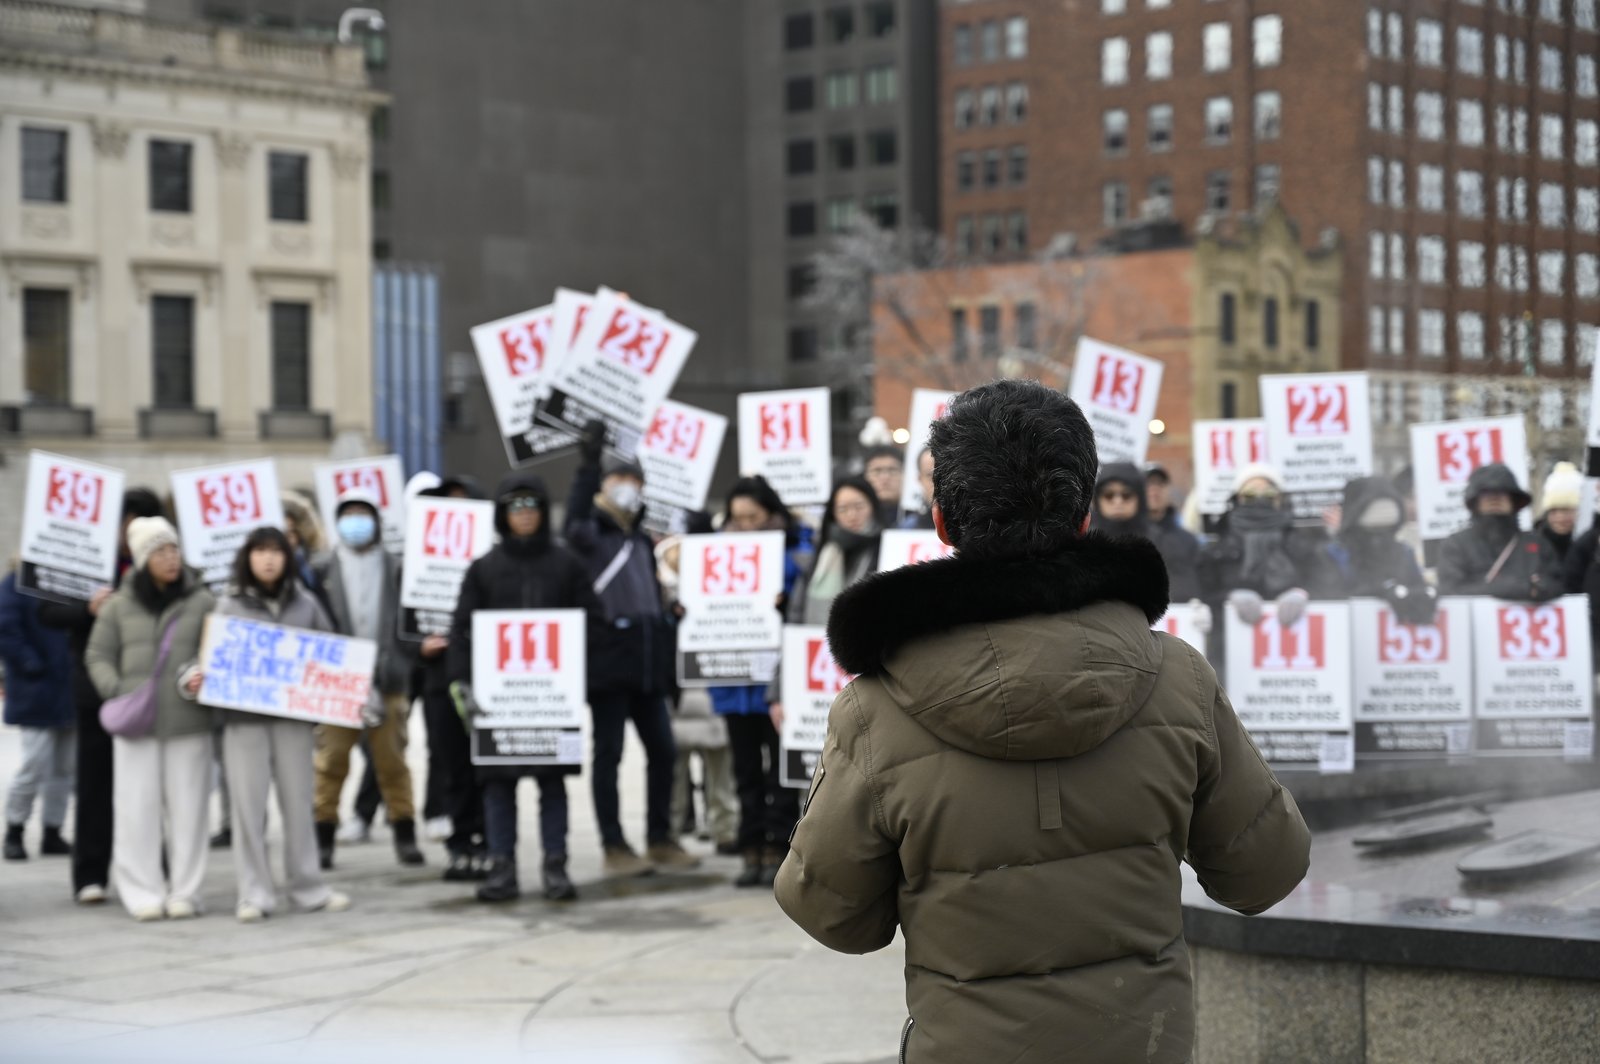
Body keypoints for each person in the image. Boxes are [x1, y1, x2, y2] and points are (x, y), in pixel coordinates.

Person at [774, 380, 1310, 1064]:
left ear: (943, 521)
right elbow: (1267, 870)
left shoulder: (874, 710)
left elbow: (832, 912)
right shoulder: (1180, 678)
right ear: (1084, 515)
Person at [451, 472, 604, 902]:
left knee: (552, 787)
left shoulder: (566, 564)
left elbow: (595, 620)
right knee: (498, 789)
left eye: (531, 507)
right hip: (501, 706)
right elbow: (462, 629)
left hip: (550, 704)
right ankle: (502, 867)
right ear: (503, 515)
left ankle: (555, 865)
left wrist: (576, 673)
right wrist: (462, 682)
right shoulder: (483, 569)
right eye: (515, 508)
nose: (524, 516)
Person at [564, 421, 699, 876]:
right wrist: (585, 466)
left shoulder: (640, 541)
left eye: (634, 480)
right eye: (618, 479)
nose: (628, 487)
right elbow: (574, 520)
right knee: (609, 755)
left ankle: (660, 837)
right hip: (607, 666)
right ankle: (614, 844)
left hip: (647, 666)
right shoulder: (589, 537)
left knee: (663, 751)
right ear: (603, 486)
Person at [207, 529, 351, 922]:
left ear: (288, 557)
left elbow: (332, 654)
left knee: (299, 804)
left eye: (276, 551)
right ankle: (254, 893)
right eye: (260, 551)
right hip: (244, 724)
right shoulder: (229, 606)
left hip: (293, 721)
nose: (268, 559)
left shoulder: (306, 603)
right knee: (247, 809)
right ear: (247, 558)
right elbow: (209, 657)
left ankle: (308, 888)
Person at [84, 518, 216, 921]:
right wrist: (117, 689)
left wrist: (202, 675)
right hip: (135, 725)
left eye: (174, 549)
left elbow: (217, 650)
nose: (170, 558)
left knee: (190, 810)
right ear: (142, 559)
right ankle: (142, 891)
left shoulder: (202, 601)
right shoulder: (120, 606)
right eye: (159, 551)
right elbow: (97, 655)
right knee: (134, 809)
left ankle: (185, 891)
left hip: (189, 722)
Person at [38, 488, 165, 904]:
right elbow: (48, 612)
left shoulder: (164, 566)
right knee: (94, 783)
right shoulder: (88, 561)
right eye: (129, 527)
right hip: (95, 688)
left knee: (150, 784)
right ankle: (90, 874)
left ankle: (154, 868)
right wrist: (86, 610)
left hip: (149, 690)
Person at [312, 490, 424, 870]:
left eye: (364, 513)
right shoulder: (321, 569)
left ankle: (405, 834)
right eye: (349, 514)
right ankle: (323, 836)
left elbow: (412, 621)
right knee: (331, 762)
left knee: (392, 763)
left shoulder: (397, 566)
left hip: (387, 679)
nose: (356, 521)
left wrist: (403, 659)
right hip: (336, 681)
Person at [710, 476, 805, 888]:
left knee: (780, 771)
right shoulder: (715, 554)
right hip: (733, 682)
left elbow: (806, 611)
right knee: (745, 770)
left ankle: (780, 847)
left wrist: (783, 601)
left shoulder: (796, 555)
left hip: (776, 680)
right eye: (738, 518)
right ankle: (751, 848)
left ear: (772, 514)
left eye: (754, 517)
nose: (746, 525)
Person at [655, 532, 739, 857]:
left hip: (711, 693)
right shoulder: (661, 595)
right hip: (678, 695)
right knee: (673, 774)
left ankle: (725, 830)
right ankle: (670, 832)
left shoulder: (718, 593)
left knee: (721, 772)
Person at [1199, 463, 1321, 647]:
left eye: (1269, 494)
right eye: (1250, 495)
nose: (1260, 500)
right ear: (1237, 499)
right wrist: (1228, 597)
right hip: (1232, 648)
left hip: (1293, 644)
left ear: (1281, 499)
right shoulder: (1219, 546)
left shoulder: (1300, 542)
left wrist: (1304, 594)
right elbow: (1200, 590)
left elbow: (1329, 582)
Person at [2, 562, 76, 862]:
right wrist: (31, 664)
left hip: (69, 689)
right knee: (34, 763)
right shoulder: (17, 582)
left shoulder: (70, 577)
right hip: (37, 690)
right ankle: (15, 828)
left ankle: (53, 830)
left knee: (64, 768)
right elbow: (6, 629)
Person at [1306, 476, 1438, 623]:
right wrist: (1382, 591)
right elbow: (1329, 600)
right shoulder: (1334, 553)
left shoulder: (1403, 552)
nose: (1383, 512)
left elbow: (1418, 590)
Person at [1437, 464, 1563, 600]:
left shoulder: (1538, 545)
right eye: (1486, 493)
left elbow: (1557, 585)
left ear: (1513, 499)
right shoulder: (1456, 545)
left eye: (1503, 492)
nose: (1495, 498)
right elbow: (1450, 590)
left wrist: (1540, 589)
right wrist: (1514, 589)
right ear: (1475, 501)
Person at [1092, 463, 1202, 602]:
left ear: (1139, 498)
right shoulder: (1083, 543)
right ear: (1097, 499)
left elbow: (1177, 590)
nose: (1117, 501)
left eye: (1126, 495)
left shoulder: (1160, 542)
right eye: (1109, 495)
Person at [1536, 461, 1582, 566]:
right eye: (1554, 510)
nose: (1560, 517)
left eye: (1567, 510)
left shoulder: (1590, 546)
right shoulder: (1533, 545)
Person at [861, 445, 905, 528]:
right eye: (877, 471)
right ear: (865, 477)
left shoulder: (919, 520)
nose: (885, 478)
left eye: (892, 470)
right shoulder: (856, 519)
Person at [902, 447, 936, 530]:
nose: (937, 482)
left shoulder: (971, 526)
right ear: (920, 479)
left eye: (943, 475)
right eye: (930, 475)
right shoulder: (907, 529)